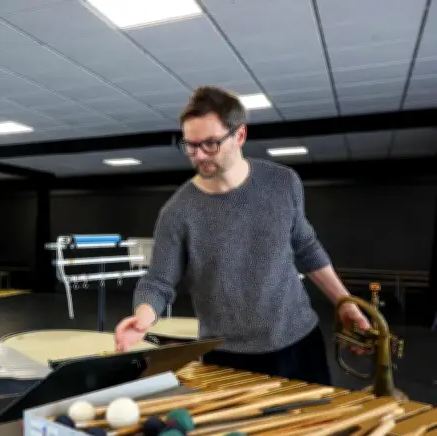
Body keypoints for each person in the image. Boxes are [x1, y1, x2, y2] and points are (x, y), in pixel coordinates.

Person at [114, 85, 368, 386]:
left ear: (240, 135)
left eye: (210, 144)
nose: (199, 155)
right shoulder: (177, 212)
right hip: (228, 355)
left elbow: (306, 247)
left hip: (299, 341)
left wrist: (344, 302)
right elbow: (158, 281)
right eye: (190, 146)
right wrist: (143, 317)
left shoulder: (283, 182)